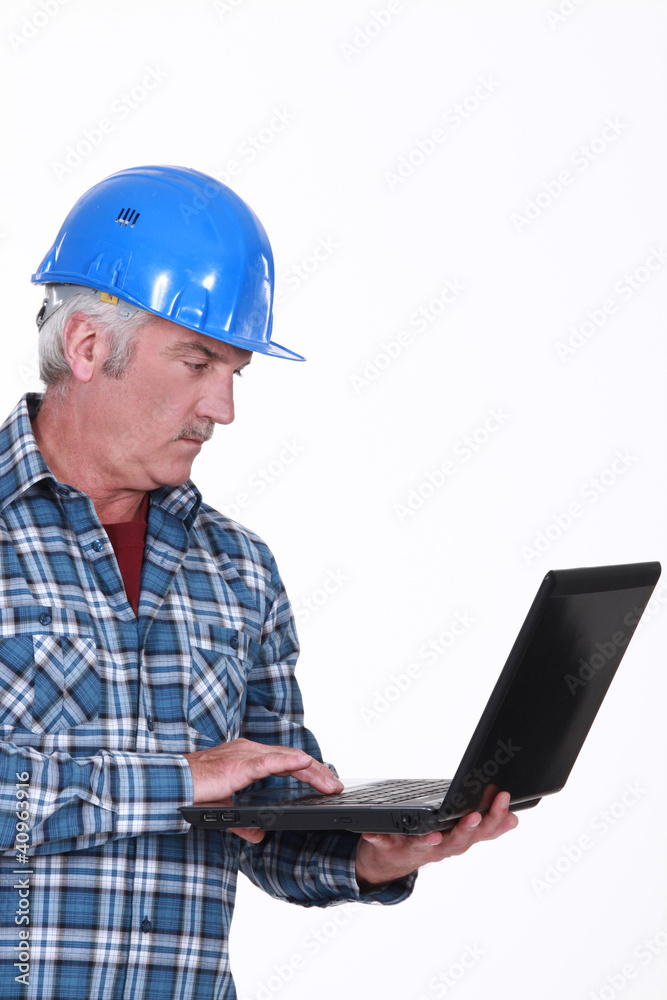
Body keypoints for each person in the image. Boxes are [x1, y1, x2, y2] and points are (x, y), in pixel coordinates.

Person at [0, 165, 517, 999]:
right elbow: (197, 782)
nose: (224, 408)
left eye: (235, 371)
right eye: (198, 362)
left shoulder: (238, 569)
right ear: (89, 347)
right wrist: (178, 779)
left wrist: (369, 854)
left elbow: (264, 822)